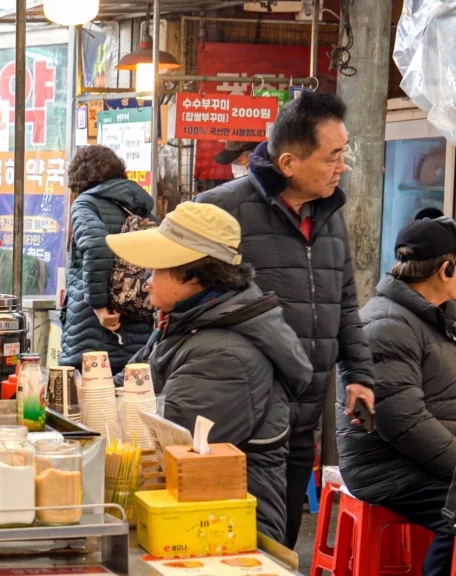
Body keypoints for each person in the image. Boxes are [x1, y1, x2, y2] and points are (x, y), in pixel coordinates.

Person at [196, 92, 375, 548]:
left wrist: (359, 374)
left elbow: (345, 301)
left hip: (303, 414)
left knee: (283, 544)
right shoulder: (221, 209)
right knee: (229, 544)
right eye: (333, 156)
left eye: (344, 153)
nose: (343, 167)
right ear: (290, 162)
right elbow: (184, 300)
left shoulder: (328, 213)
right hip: (239, 418)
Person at [107, 201, 311, 543]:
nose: (145, 281)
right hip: (188, 511)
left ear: (193, 275)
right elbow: (127, 384)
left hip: (229, 527)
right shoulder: (185, 323)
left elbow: (167, 447)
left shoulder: (225, 354)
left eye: (156, 269)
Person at [338, 217, 456, 576]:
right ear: (447, 269)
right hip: (391, 468)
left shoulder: (438, 317)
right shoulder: (386, 325)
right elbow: (404, 423)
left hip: (430, 460)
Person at [60, 145, 155, 372]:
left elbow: (96, 246)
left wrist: (99, 306)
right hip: (139, 330)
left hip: (95, 330)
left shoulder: (86, 203)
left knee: (92, 400)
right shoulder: (142, 207)